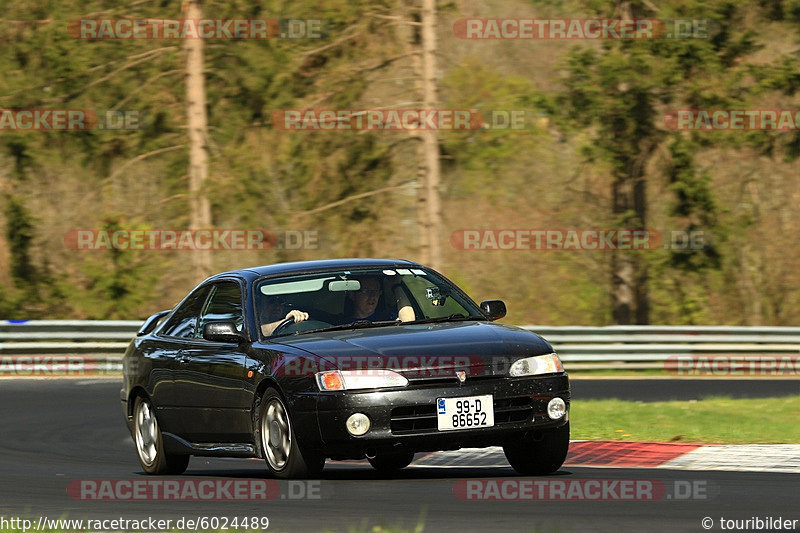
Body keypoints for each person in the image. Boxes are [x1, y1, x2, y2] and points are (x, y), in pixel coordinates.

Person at [343, 276, 415, 323]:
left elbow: (409, 322)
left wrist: (396, 285)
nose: (372, 296)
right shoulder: (340, 324)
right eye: (366, 291)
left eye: (376, 291)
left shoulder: (388, 317)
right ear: (352, 295)